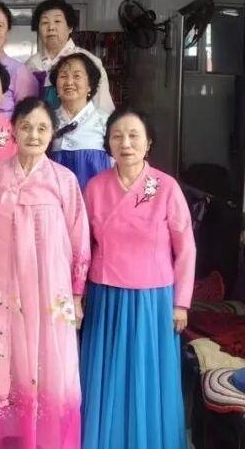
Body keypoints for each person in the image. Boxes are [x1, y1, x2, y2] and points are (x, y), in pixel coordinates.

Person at [0, 97, 90, 449]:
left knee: (51, 356)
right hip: (2, 286)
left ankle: (50, 436)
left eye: (42, 128)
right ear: (13, 130)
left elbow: (79, 237)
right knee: (3, 350)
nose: (34, 135)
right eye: (26, 127)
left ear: (52, 133)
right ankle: (7, 436)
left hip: (49, 288)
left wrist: (77, 293)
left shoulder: (64, 180)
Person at [81, 107, 196, 449]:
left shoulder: (166, 187)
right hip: (106, 295)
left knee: (147, 374)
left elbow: (185, 248)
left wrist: (181, 303)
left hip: (153, 298)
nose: (126, 143)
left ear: (148, 143)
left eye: (134, 136)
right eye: (117, 136)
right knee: (107, 374)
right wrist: (78, 292)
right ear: (108, 144)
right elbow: (82, 245)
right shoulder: (95, 186)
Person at [25, 0, 114, 112]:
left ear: (70, 27)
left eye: (57, 21)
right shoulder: (31, 65)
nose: (51, 28)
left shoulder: (89, 62)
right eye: (45, 23)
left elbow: (104, 108)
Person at [49, 53, 112, 190]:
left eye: (77, 76)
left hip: (95, 200)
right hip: (54, 199)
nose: (69, 82)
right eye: (63, 76)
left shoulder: (107, 122)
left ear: (90, 85)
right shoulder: (46, 121)